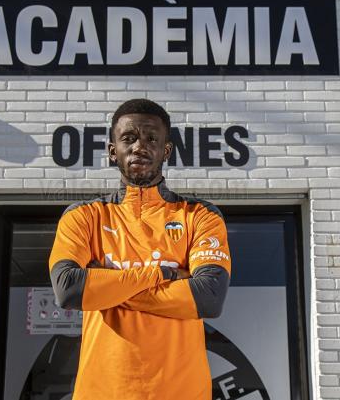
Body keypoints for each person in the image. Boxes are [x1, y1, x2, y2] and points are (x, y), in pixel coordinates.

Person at [48, 98, 232, 400]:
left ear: (166, 150)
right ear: (112, 151)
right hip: (102, 391)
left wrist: (106, 286)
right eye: (129, 138)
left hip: (181, 392)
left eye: (151, 139)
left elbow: (208, 298)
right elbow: (69, 290)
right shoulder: (83, 216)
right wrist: (164, 274)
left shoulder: (199, 215)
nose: (139, 146)